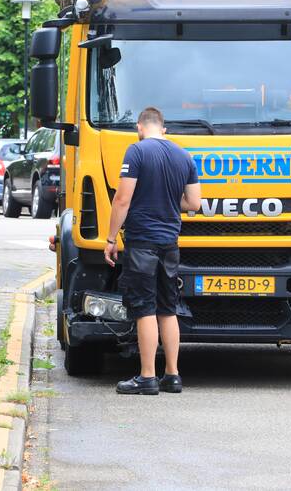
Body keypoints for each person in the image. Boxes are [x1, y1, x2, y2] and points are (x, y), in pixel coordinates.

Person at [104, 107, 201, 395]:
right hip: (170, 243)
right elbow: (194, 203)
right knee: (167, 308)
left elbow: (122, 199)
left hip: (142, 242)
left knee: (144, 308)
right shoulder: (183, 155)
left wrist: (111, 238)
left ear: (140, 127)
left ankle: (147, 376)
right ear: (164, 129)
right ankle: (172, 375)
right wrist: (170, 200)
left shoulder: (136, 151)